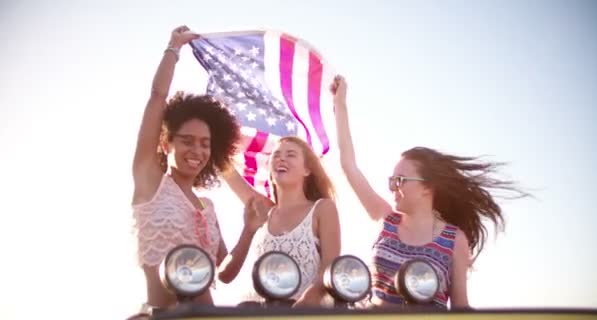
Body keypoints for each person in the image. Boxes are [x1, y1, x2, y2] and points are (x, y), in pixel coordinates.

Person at [330, 75, 526, 309]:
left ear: (427, 187)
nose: (393, 187)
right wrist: (340, 105)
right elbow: (349, 165)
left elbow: (461, 307)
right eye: (392, 180)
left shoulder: (454, 240)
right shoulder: (386, 220)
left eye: (400, 180)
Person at [129, 26, 241, 318]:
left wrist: (251, 229)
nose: (197, 150)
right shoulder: (150, 182)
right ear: (166, 143)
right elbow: (157, 97)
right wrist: (173, 48)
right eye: (187, 141)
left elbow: (226, 272)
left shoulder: (209, 207)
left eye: (205, 144)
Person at [218, 136, 341, 307]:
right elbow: (227, 171)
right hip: (256, 310)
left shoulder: (322, 208)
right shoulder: (264, 210)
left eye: (291, 154)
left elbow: (331, 267)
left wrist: (305, 303)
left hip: (304, 313)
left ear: (307, 170)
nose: (281, 158)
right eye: (275, 155)